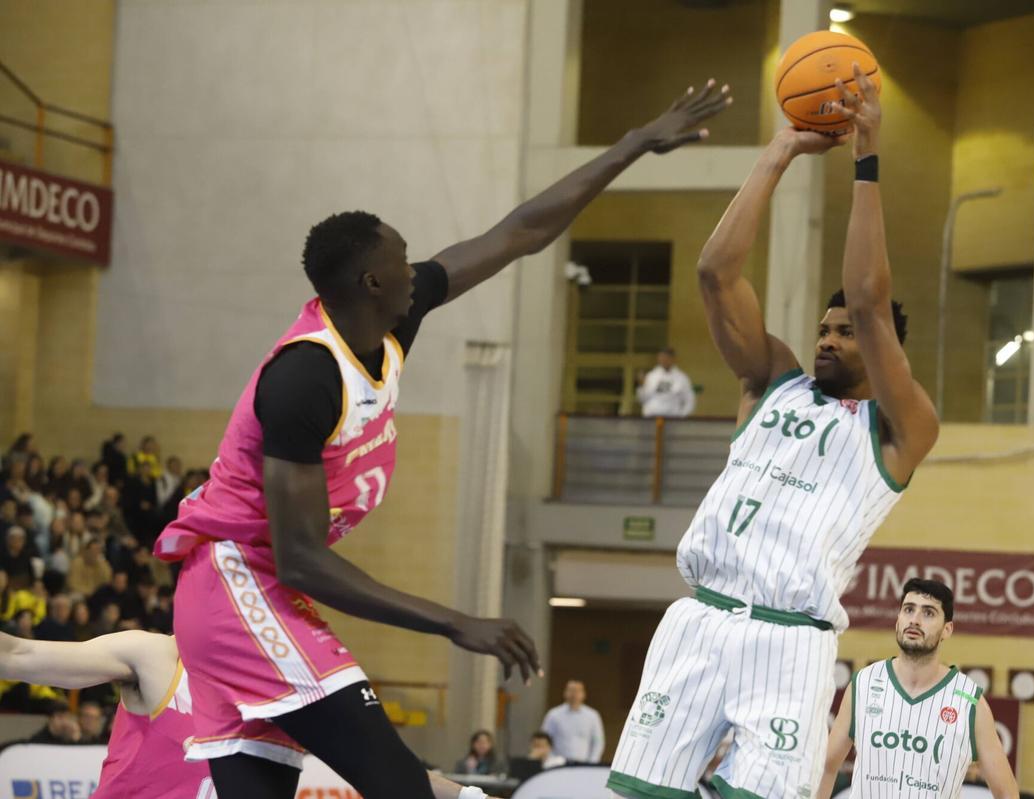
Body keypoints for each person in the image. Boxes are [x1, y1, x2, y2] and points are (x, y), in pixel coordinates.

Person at [151, 82, 731, 799]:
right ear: (372, 281)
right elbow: (300, 558)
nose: (415, 264)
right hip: (239, 583)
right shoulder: (304, 377)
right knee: (402, 784)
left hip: (246, 592)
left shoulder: (391, 319)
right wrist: (456, 622)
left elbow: (519, 232)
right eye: (401, 257)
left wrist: (636, 142)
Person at [608, 65, 940, 799]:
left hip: (791, 641)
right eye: (823, 328)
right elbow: (714, 273)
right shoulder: (773, 378)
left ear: (883, 352)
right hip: (699, 618)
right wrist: (778, 153)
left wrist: (866, 154)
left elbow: (869, 296)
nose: (827, 338)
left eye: (845, 334)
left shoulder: (902, 426)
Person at [0, 629, 488, 799]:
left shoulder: (288, 700)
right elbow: (19, 656)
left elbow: (388, 773)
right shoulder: (152, 656)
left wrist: (471, 795)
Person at [816, 579, 1018, 798]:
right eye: (908, 610)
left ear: (947, 630)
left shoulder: (970, 702)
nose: (915, 620)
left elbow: (1007, 793)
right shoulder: (864, 683)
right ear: (897, 621)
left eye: (928, 613)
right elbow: (827, 766)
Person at [540, 679, 605, 763]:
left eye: (577, 691)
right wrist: (553, 761)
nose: (574, 694)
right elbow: (545, 741)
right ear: (565, 693)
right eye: (571, 690)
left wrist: (592, 762)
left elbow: (598, 742)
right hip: (558, 765)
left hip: (584, 765)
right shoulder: (553, 715)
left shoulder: (593, 716)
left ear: (584, 694)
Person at [636, 347, 696, 418]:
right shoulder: (651, 376)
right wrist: (641, 385)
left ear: (673, 359)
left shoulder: (681, 378)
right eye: (661, 357)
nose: (663, 360)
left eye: (666, 357)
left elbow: (690, 400)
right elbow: (642, 399)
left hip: (673, 419)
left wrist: (682, 416)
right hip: (651, 418)